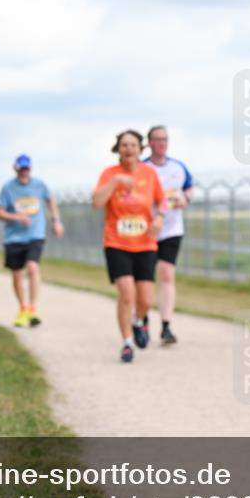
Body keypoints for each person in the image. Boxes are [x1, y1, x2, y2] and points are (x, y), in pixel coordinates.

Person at [93, 130, 167, 363]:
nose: (129, 149)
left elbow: (162, 201)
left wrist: (159, 218)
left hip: (145, 243)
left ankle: (138, 321)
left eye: (133, 145)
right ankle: (127, 343)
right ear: (118, 149)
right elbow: (96, 202)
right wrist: (115, 183)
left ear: (140, 149)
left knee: (145, 299)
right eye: (124, 145)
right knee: (127, 293)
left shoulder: (149, 173)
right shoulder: (109, 174)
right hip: (116, 242)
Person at [0, 154, 64, 327]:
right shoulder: (8, 188)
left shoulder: (39, 185)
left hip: (35, 235)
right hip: (14, 237)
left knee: (33, 267)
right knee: (17, 273)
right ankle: (22, 308)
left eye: (27, 168)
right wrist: (16, 217)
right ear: (16, 168)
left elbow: (51, 201)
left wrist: (56, 220)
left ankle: (33, 309)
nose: (25, 171)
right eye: (22, 168)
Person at [142, 125, 193, 345]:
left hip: (171, 229)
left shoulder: (178, 167)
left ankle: (166, 326)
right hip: (146, 230)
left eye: (165, 139)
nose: (161, 143)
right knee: (144, 279)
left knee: (166, 274)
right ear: (150, 142)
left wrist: (185, 199)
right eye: (157, 139)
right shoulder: (142, 168)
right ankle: (142, 320)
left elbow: (189, 188)